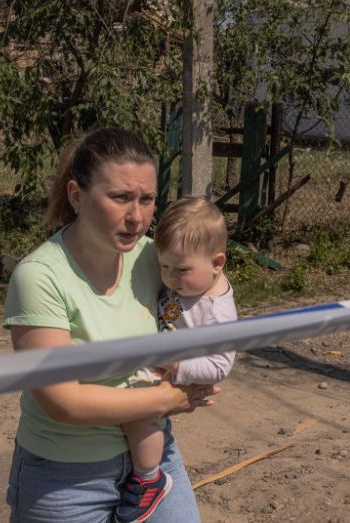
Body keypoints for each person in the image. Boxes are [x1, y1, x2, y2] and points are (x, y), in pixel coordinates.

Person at [3, 128, 218, 523]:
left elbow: (216, 289)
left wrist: (212, 359)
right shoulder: (40, 277)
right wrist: (169, 399)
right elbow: (62, 402)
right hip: (66, 476)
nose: (136, 217)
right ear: (76, 196)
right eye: (120, 198)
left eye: (147, 199)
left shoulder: (155, 258)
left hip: (153, 458)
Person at [117, 198, 238, 523]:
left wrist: (175, 365)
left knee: (138, 413)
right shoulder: (189, 286)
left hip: (175, 370)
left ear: (217, 263)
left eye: (182, 270)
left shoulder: (217, 312)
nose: (170, 278)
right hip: (163, 358)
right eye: (164, 267)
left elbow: (220, 366)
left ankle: (148, 477)